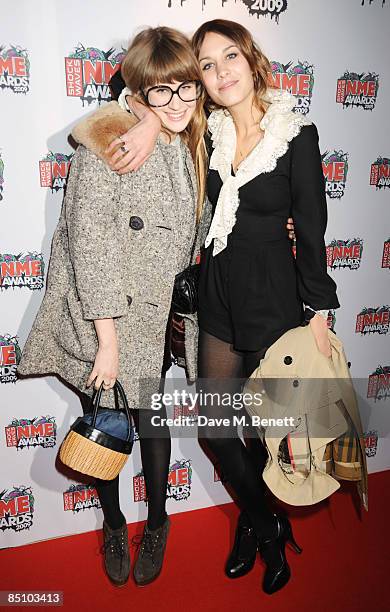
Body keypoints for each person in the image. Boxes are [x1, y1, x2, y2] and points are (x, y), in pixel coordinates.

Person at [105, 19, 340, 595]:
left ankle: (254, 528)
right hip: (216, 297)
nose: (220, 72)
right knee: (215, 424)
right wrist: (145, 118)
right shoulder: (204, 132)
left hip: (272, 299)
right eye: (206, 66)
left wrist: (319, 309)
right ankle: (267, 524)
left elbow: (312, 229)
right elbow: (132, 83)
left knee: (261, 430)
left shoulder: (296, 133)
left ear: (250, 57)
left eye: (228, 56)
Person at [17, 26, 210, 588]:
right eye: (160, 93)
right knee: (106, 423)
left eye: (186, 89)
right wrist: (108, 340)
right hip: (104, 317)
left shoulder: (192, 138)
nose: (176, 104)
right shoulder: (111, 141)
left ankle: (157, 522)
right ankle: (112, 520)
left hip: (157, 317)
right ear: (140, 92)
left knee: (151, 422)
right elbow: (91, 243)